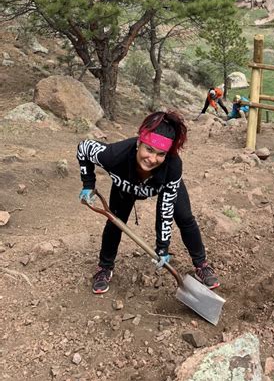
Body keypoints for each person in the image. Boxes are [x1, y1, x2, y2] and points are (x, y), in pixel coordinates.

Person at [77, 110, 220, 294]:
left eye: (160, 154)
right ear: (139, 142)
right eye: (149, 149)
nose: (152, 159)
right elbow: (83, 149)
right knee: (114, 223)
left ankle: (201, 264)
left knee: (185, 217)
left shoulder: (172, 166)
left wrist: (162, 246)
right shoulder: (114, 155)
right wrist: (88, 184)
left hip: (163, 185)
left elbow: (165, 209)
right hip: (126, 185)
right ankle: (104, 268)